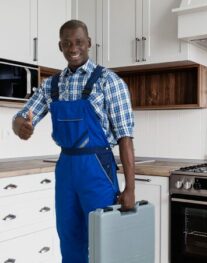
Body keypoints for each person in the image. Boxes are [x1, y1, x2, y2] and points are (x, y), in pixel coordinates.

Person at [12, 19, 135, 263]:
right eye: (67, 43)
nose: (73, 48)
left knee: (103, 239)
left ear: (89, 43)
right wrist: (20, 127)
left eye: (79, 42)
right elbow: (22, 117)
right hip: (66, 168)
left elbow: (125, 137)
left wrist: (130, 187)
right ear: (60, 46)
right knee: (69, 237)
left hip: (97, 167)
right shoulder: (51, 85)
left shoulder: (109, 82)